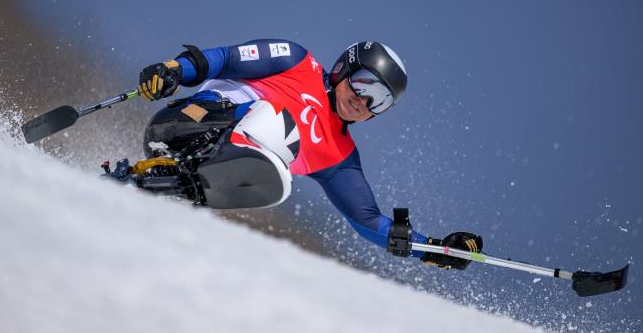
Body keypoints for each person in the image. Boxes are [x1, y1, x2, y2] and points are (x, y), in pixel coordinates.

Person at [136, 39, 482, 269]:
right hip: (184, 124)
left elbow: (370, 222)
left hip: (207, 173)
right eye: (363, 84)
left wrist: (437, 249)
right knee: (277, 124)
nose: (362, 100)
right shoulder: (296, 61)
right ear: (344, 68)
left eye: (379, 100)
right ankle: (198, 163)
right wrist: (175, 70)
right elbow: (226, 59)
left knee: (280, 158)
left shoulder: (340, 157)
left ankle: (173, 183)